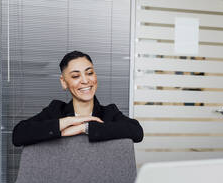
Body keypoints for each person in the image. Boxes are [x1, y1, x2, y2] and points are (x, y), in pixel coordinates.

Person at [12, 50, 143, 147]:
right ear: (64, 82)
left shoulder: (109, 112)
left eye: (89, 73)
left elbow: (137, 132)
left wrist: (84, 128)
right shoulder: (55, 111)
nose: (85, 80)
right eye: (75, 76)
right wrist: (67, 124)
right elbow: (18, 134)